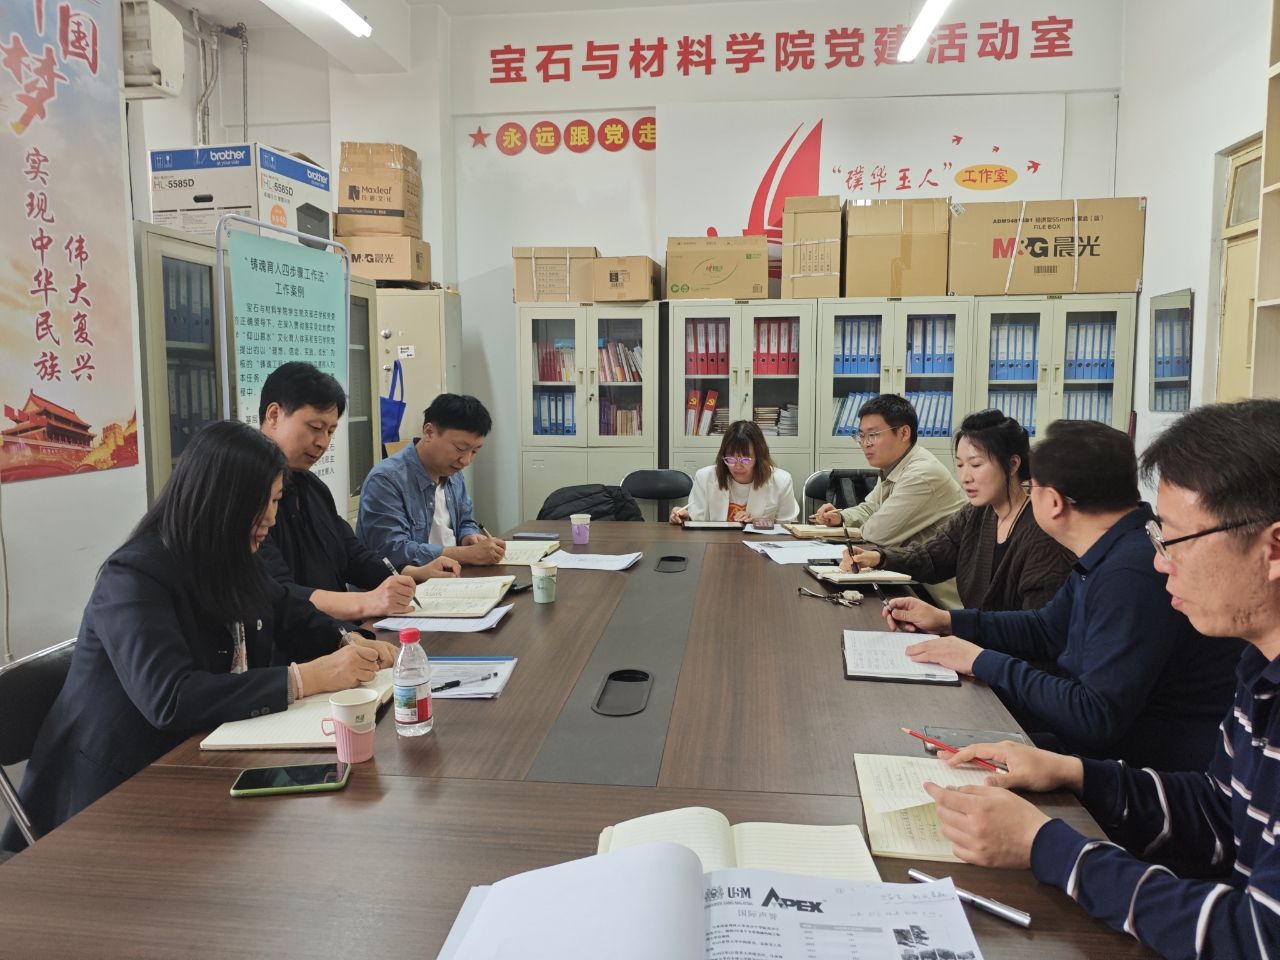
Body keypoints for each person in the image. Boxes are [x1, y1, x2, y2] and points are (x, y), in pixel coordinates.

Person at [921, 400, 1278, 959]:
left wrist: (1046, 846)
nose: (1161, 562)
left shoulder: (1131, 570)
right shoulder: (1259, 668)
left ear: (1272, 549)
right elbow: (1219, 810)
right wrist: (1075, 773)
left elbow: (1261, 937)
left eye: (1175, 539)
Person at [0, 421, 395, 851]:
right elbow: (170, 698)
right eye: (261, 503)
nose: (271, 518)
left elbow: (285, 608)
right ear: (220, 500)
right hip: (114, 797)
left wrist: (345, 640)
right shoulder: (134, 575)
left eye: (276, 500)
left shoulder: (232, 554)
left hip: (207, 758)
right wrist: (305, 679)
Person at [891, 419, 1242, 771]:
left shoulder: (1131, 571)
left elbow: (1095, 716)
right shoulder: (1113, 550)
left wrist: (982, 660)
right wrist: (948, 621)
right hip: (1095, 748)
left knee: (927, 755)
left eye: (1032, 487)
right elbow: (1046, 628)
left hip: (1134, 772)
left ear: (1053, 501)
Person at [257, 362, 460, 621]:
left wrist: (413, 573)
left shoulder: (312, 486)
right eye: (315, 427)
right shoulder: (247, 493)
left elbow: (351, 554)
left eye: (330, 431)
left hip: (335, 632)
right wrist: (366, 603)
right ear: (274, 415)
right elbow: (276, 592)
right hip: (297, 639)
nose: (323, 442)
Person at [842, 409, 1072, 611]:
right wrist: (879, 558)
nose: (965, 477)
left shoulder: (1042, 532)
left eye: (976, 464)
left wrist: (949, 622)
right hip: (973, 637)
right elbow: (930, 558)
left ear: (1012, 464)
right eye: (960, 465)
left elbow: (1034, 628)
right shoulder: (976, 514)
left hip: (998, 646)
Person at [812, 394, 966, 607]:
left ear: (904, 433)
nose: (865, 444)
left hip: (934, 595)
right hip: (908, 579)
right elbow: (871, 508)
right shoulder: (894, 465)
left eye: (873, 435)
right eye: (861, 435)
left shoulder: (921, 473)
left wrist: (865, 523)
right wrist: (841, 517)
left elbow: (875, 534)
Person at [357, 394, 505, 568]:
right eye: (460, 448)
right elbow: (393, 552)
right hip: (410, 582)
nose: (466, 461)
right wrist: (466, 554)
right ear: (429, 432)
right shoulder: (386, 480)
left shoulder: (454, 473)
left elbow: (465, 520)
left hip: (453, 575)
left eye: (474, 451)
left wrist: (469, 536)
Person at [669, 420, 799, 525]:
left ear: (759, 457)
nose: (737, 466)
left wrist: (757, 522)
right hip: (716, 544)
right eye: (730, 459)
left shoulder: (781, 481)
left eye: (745, 459)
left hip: (759, 545)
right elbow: (696, 521)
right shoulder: (704, 477)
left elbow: (788, 526)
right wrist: (686, 518)